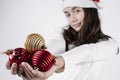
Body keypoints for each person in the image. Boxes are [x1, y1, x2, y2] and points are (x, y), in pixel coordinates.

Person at [6, 0, 119, 80]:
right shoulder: (62, 36)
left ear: (90, 12)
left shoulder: (109, 44)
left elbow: (88, 52)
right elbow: (51, 46)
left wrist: (57, 62)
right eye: (68, 14)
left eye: (77, 11)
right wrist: (30, 59)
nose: (72, 19)